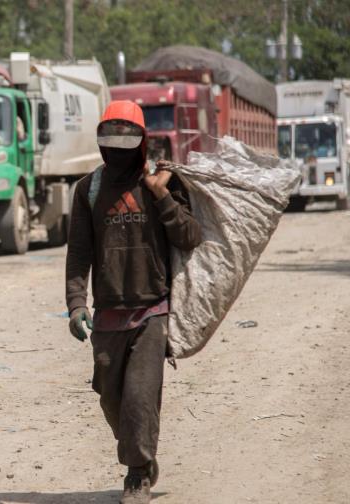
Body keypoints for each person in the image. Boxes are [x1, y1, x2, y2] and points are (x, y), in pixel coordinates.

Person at [65, 100, 202, 504]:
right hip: (108, 316)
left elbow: (190, 237)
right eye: (112, 142)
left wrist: (162, 197)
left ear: (142, 143)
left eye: (127, 143)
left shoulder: (162, 183)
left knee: (140, 397)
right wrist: (76, 304)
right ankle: (138, 452)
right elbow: (78, 254)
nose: (119, 151)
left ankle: (137, 473)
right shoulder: (87, 190)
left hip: (152, 312)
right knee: (111, 397)